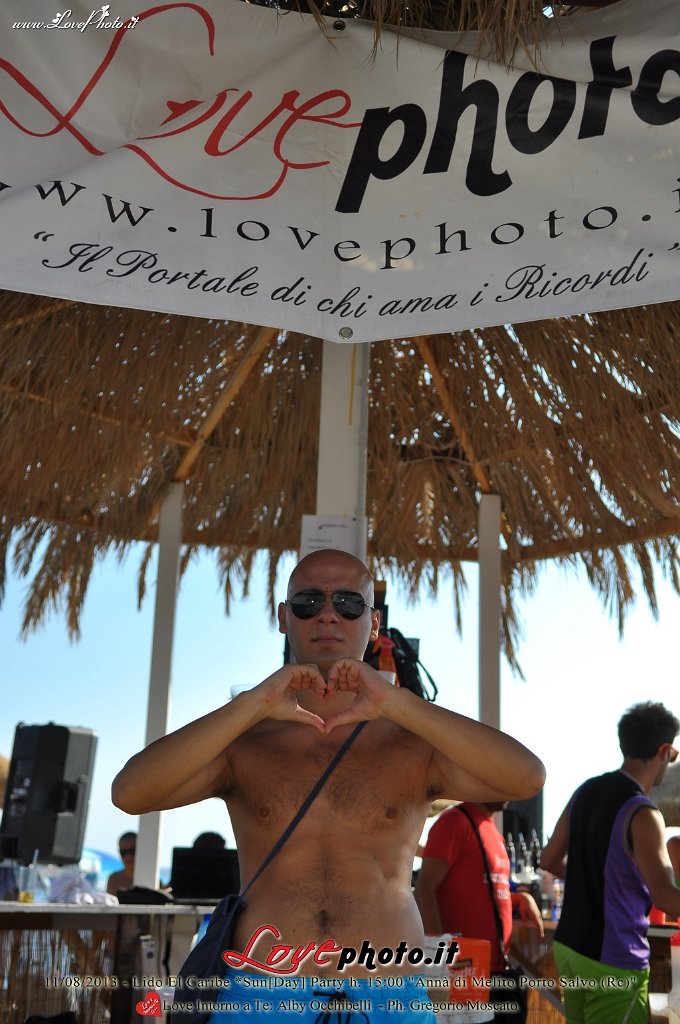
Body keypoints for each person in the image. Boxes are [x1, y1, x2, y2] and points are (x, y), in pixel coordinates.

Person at [112, 548, 545, 1023]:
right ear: (284, 617)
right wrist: (253, 703)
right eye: (308, 602)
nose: (327, 615)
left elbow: (526, 776)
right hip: (263, 995)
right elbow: (130, 792)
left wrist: (396, 703)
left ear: (373, 624)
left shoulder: (412, 744)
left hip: (386, 996)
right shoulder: (246, 743)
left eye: (348, 603)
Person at [541, 701, 680, 1024]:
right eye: (673, 755)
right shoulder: (643, 812)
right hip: (613, 958)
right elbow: (665, 896)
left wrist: (596, 880)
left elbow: (548, 859)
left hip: (570, 949)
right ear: (663, 751)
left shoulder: (585, 791)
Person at [414, 801, 543, 1023]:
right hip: (464, 976)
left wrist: (520, 898)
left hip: (496, 974)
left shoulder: (493, 831)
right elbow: (425, 888)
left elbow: (482, 888)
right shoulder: (455, 821)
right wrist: (441, 963)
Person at [106, 831, 137, 896]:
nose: (128, 856)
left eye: (132, 851)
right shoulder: (113, 879)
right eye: (123, 852)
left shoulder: (152, 880)